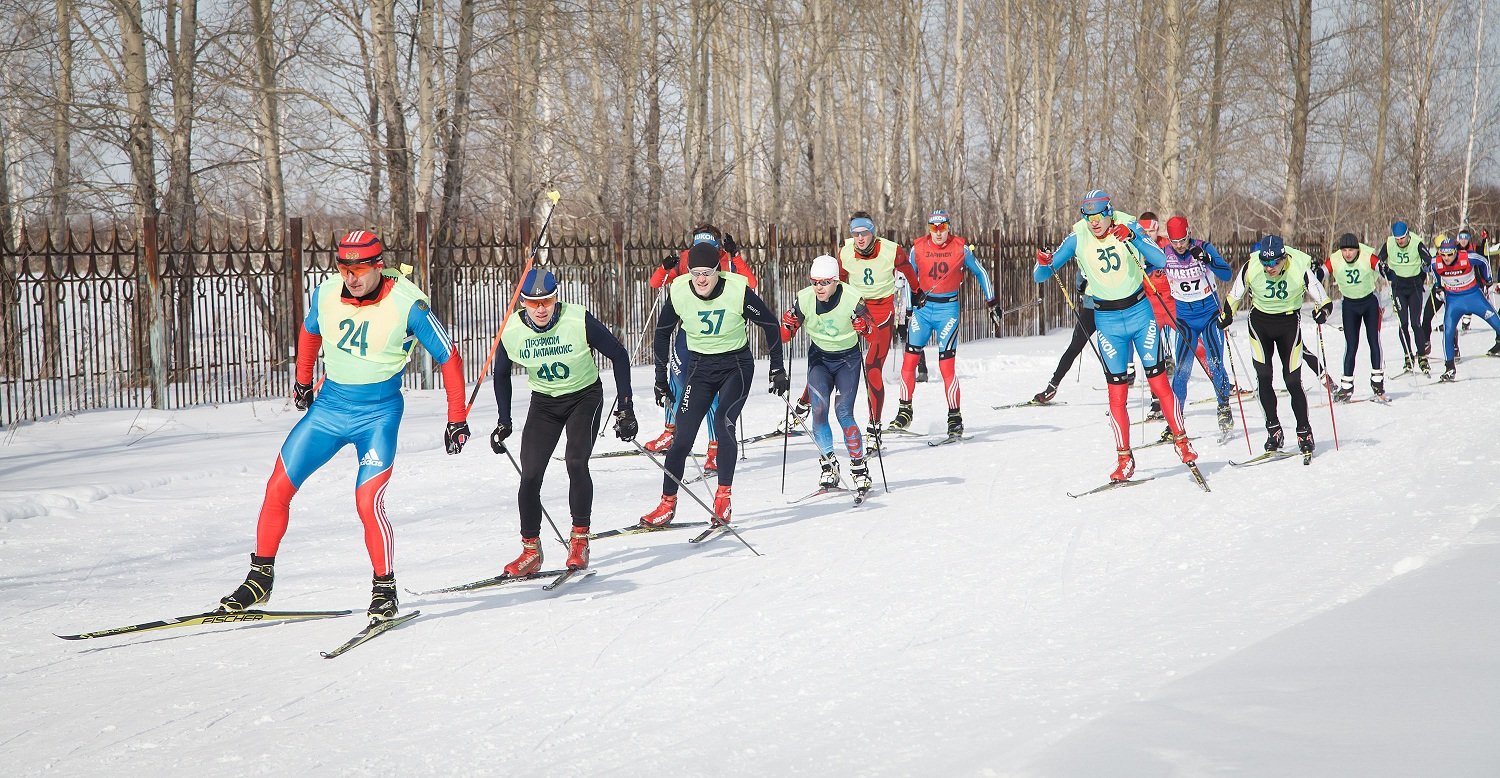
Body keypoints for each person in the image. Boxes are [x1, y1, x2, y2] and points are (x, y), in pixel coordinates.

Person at [218, 231, 469, 621]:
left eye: (359, 269)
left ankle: (384, 589)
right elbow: (310, 331)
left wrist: (456, 418)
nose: (351, 277)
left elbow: (449, 357)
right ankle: (260, 578)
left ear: (378, 266)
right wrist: (303, 380)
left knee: (367, 502)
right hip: (330, 409)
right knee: (277, 486)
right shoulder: (326, 292)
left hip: (378, 414)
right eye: (344, 268)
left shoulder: (409, 304)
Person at [1033, 189, 1196, 481]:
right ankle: (1124, 460)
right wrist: (1043, 262)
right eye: (1088, 216)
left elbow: (1160, 260)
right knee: (1116, 394)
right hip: (1107, 321)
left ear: (1109, 212)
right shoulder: (1078, 237)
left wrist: (1133, 237)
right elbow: (1041, 276)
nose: (1094, 222)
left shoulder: (1129, 225)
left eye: (1099, 216)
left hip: (1139, 314)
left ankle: (1182, 442)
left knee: (1159, 383)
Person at [490, 268, 638, 576]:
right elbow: (501, 374)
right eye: (533, 302)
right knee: (530, 475)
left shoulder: (576, 319)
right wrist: (504, 419)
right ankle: (530, 550)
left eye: (547, 301)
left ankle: (579, 540)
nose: (541, 309)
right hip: (544, 403)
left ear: (556, 298)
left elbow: (619, 354)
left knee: (575, 461)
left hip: (584, 397)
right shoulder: (512, 330)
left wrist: (626, 407)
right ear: (523, 304)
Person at [640, 244, 787, 527]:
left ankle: (723, 499)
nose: (701, 280)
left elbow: (769, 324)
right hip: (700, 368)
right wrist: (660, 378)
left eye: (706, 273)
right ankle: (666, 504)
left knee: (723, 424)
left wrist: (777, 368)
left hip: (736, 367)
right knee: (681, 438)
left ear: (718, 272)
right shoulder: (680, 291)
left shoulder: (737, 291)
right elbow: (661, 334)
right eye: (695, 273)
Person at [642, 225, 758, 475]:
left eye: (709, 245)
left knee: (713, 389)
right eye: (697, 245)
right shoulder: (686, 259)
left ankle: (714, 447)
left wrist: (735, 256)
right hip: (690, 332)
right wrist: (665, 267)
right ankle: (669, 431)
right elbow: (655, 283)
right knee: (676, 377)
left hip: (719, 338)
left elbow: (751, 283)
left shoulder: (724, 260)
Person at [891, 210, 1001, 437]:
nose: (938, 233)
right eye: (934, 228)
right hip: (923, 310)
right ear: (929, 228)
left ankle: (954, 417)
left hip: (947, 311)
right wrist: (908, 311)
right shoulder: (917, 248)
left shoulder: (960, 249)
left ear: (949, 227)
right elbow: (909, 278)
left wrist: (992, 303)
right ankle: (904, 411)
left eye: (943, 227)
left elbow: (981, 273)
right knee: (909, 360)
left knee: (946, 366)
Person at [1219, 234, 1331, 455]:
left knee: (1292, 380)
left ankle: (1304, 432)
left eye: (1274, 263)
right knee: (1264, 377)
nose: (1269, 268)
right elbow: (1234, 296)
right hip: (1260, 324)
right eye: (1265, 262)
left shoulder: (1299, 267)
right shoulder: (1251, 266)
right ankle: (1274, 430)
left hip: (1289, 324)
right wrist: (1227, 313)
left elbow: (1324, 299)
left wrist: (1323, 312)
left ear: (1284, 258)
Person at [779, 255, 874, 492]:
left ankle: (859, 468)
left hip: (847, 360)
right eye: (814, 282)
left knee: (843, 413)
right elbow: (783, 336)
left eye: (824, 283)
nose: (818, 288)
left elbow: (873, 333)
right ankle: (829, 465)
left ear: (836, 281)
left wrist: (864, 327)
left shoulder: (853, 298)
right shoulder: (804, 298)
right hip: (820, 358)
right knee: (819, 412)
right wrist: (787, 325)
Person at [836, 211, 920, 452]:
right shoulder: (845, 252)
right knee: (831, 356)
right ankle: (802, 406)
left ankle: (874, 426)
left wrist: (918, 291)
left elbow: (908, 271)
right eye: (856, 234)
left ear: (873, 232)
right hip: (856, 309)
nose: (860, 238)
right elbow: (839, 282)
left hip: (882, 311)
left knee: (872, 366)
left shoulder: (891, 250)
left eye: (864, 233)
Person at [1159, 215, 1234, 431]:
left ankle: (1224, 408)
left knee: (1214, 363)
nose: (1180, 246)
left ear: (1189, 233)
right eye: (1175, 242)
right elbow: (1144, 269)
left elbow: (1227, 274)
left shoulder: (1204, 247)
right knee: (1182, 370)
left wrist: (1207, 260)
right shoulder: (1165, 254)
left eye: (1183, 240)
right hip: (1184, 320)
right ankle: (1175, 420)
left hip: (1210, 315)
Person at [1324, 232, 1386, 401]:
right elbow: (1322, 272)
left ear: (1357, 250)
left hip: (1370, 302)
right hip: (1350, 306)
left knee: (1374, 340)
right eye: (1344, 250)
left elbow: (1379, 265)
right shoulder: (1335, 259)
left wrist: (1385, 270)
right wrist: (1316, 273)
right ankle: (1346, 387)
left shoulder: (1366, 256)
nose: (1348, 254)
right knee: (1351, 345)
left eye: (1351, 250)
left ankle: (1378, 383)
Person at [1431, 236, 1500, 381]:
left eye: (1450, 254)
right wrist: (1438, 286)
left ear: (1455, 251)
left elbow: (1484, 261)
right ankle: (1450, 368)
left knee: (1497, 323)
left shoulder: (1468, 257)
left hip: (1474, 297)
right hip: (1453, 301)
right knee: (1448, 333)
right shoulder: (1436, 262)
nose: (1446, 258)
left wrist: (1488, 280)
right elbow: (1433, 271)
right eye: (1443, 255)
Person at [1376, 220, 1433, 374]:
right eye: (1397, 239)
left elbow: (1428, 260)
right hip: (1398, 287)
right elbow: (1379, 260)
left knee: (1415, 323)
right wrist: (1383, 268)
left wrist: (1426, 267)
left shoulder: (1416, 242)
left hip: (1414, 286)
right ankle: (1408, 356)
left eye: (1402, 238)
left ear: (1408, 234)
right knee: (1403, 324)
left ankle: (1422, 356)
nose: (1400, 241)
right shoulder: (1389, 243)